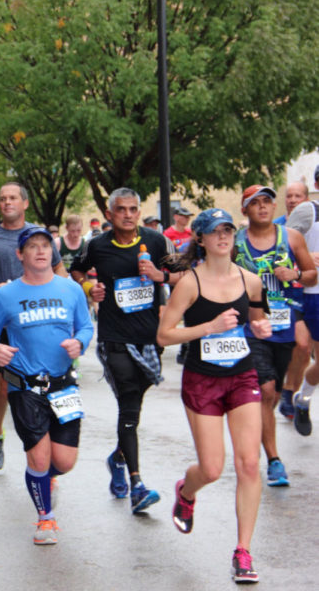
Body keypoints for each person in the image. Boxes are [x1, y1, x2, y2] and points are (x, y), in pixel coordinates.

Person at [156, 208, 272, 584]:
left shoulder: (251, 281)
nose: (223, 237)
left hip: (241, 376)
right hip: (202, 379)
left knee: (249, 464)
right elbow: (165, 335)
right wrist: (208, 326)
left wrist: (261, 326)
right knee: (211, 468)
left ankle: (242, 550)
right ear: (201, 239)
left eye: (228, 231)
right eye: (215, 232)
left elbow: (257, 316)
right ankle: (186, 492)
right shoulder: (190, 283)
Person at [0, 226, 93, 545]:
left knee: (64, 462)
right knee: (40, 458)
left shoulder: (70, 290)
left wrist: (80, 343)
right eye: (33, 246)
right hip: (25, 387)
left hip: (64, 386)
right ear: (21, 255)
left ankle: (46, 480)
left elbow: (85, 326)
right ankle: (45, 519)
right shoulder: (5, 295)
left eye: (46, 245)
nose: (41, 251)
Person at [70, 187, 178, 514]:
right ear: (110, 214)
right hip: (113, 339)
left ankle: (118, 458)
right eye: (122, 209)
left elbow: (185, 273)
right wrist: (90, 287)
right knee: (129, 403)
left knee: (135, 405)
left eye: (133, 209)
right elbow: (76, 270)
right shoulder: (98, 246)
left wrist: (161, 276)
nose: (128, 215)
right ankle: (137, 485)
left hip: (149, 339)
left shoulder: (156, 242)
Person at [0, 182, 67, 471]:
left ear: (24, 203)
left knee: (46, 385)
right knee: (6, 389)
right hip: (5, 328)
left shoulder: (38, 236)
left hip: (41, 322)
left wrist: (66, 296)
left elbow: (59, 269)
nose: (6, 202)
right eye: (2, 199)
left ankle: (41, 455)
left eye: (12, 198)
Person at [233, 185, 316, 485]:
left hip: (284, 324)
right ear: (245, 210)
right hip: (250, 326)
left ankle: (261, 438)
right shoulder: (235, 243)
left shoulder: (291, 238)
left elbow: (311, 274)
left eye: (268, 201)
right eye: (256, 203)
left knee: (275, 393)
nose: (263, 207)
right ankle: (274, 460)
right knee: (266, 389)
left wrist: (293, 275)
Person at [284, 172, 319, 435]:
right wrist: (307, 256)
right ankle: (302, 399)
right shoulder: (308, 210)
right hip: (314, 293)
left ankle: (301, 398)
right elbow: (281, 247)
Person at [272, 182, 310, 419]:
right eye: (289, 196)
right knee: (300, 344)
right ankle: (285, 390)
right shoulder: (275, 228)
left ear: (306, 199)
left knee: (304, 351)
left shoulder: (314, 228)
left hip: (310, 293)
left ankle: (291, 391)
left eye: (298, 196)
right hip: (284, 295)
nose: (293, 199)